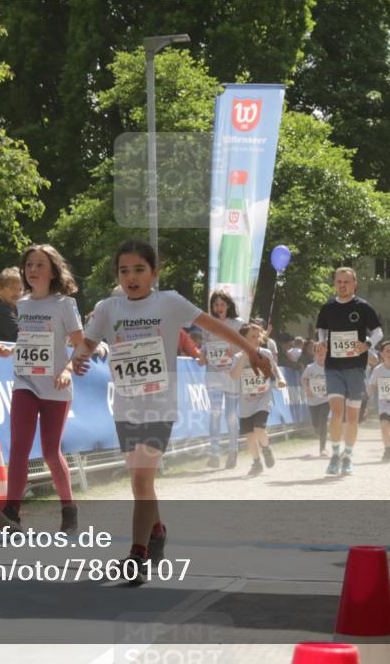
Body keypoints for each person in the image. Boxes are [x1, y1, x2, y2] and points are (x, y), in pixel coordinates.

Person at [72, 240, 270, 580]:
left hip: (159, 406)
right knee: (142, 483)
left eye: (139, 270)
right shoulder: (107, 308)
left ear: (154, 272)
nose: (131, 277)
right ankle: (158, 531)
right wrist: (78, 358)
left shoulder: (170, 302)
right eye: (124, 271)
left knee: (140, 480)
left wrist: (251, 351)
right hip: (125, 406)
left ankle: (137, 556)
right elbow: (87, 342)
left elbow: (215, 327)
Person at [0, 245, 83, 534]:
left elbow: (81, 345)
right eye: (29, 265)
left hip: (55, 386)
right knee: (19, 447)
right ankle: (12, 513)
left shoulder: (64, 304)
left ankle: (69, 508)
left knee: (51, 453)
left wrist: (67, 370)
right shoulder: (23, 303)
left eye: (39, 265)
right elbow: (29, 339)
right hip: (26, 382)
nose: (32, 270)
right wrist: (12, 350)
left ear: (53, 271)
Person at [315, 267, 383, 476]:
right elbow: (321, 329)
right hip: (333, 367)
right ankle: (335, 454)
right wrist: (321, 342)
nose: (342, 285)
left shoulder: (363, 307)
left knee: (352, 416)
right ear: (334, 284)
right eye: (339, 282)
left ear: (355, 284)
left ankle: (348, 456)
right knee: (336, 413)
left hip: (355, 368)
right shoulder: (327, 308)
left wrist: (367, 345)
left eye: (346, 282)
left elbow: (378, 331)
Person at [196, 290, 244, 469]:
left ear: (229, 305)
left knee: (230, 414)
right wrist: (202, 356)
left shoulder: (238, 323)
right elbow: (204, 344)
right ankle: (214, 455)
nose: (219, 307)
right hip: (213, 373)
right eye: (215, 304)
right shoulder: (207, 323)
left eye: (222, 304)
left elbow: (246, 345)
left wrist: (235, 351)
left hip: (231, 374)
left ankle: (233, 451)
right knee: (215, 413)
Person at [230, 322, 284, 476]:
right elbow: (234, 375)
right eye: (251, 337)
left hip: (263, 398)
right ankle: (256, 463)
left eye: (257, 336)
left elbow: (275, 368)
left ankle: (266, 449)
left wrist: (281, 379)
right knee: (249, 435)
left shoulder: (266, 353)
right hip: (246, 402)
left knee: (259, 429)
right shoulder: (238, 357)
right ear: (243, 339)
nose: (255, 339)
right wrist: (245, 355)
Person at [300, 341, 330, 456]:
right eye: (317, 351)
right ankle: (320, 432)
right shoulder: (310, 367)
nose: (320, 353)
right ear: (314, 353)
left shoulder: (331, 367)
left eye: (322, 350)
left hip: (326, 399)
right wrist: (307, 389)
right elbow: (303, 379)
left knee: (323, 421)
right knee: (316, 425)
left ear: (327, 352)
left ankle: (323, 448)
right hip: (313, 401)